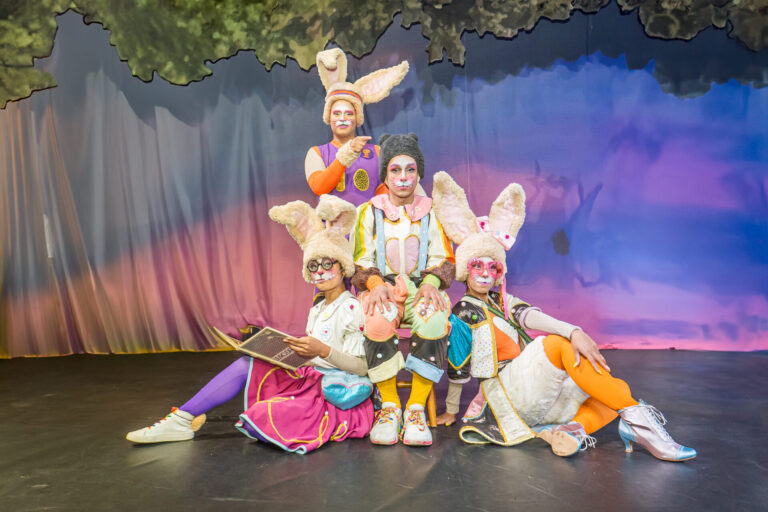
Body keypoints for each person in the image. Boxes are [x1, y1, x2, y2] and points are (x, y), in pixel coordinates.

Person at [431, 171, 697, 462]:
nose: (485, 273)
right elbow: (457, 366)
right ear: (465, 270)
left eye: (492, 267)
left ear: (500, 273)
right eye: (477, 266)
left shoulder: (503, 302)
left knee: (617, 389)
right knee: (556, 345)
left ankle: (572, 431)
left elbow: (530, 317)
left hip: (536, 393)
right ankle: (644, 428)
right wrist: (452, 410)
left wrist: (574, 331)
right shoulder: (463, 312)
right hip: (506, 395)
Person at [125, 195, 374, 454]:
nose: (320, 271)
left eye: (327, 263)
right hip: (309, 377)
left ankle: (185, 420)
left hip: (333, 392)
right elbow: (316, 356)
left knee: (264, 417)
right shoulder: (318, 308)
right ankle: (181, 419)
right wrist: (290, 353)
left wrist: (322, 351)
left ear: (343, 266)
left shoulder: (351, 307)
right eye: (313, 265)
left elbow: (362, 367)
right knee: (247, 363)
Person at [351, 133, 455, 447]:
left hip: (420, 287)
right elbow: (360, 259)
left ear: (419, 173)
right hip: (382, 287)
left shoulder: (432, 211)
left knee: (434, 319)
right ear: (385, 175)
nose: (403, 177)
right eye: (395, 170)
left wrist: (431, 283)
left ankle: (416, 409)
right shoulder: (369, 211)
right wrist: (374, 284)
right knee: (377, 320)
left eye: (410, 169)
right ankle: (390, 406)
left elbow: (444, 257)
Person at [304, 48, 409, 204]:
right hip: (333, 220)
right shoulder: (317, 153)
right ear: (329, 118)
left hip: (368, 219)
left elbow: (385, 191)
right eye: (337, 113)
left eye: (348, 114)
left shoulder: (376, 152)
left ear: (357, 118)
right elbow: (319, 187)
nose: (342, 118)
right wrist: (347, 154)